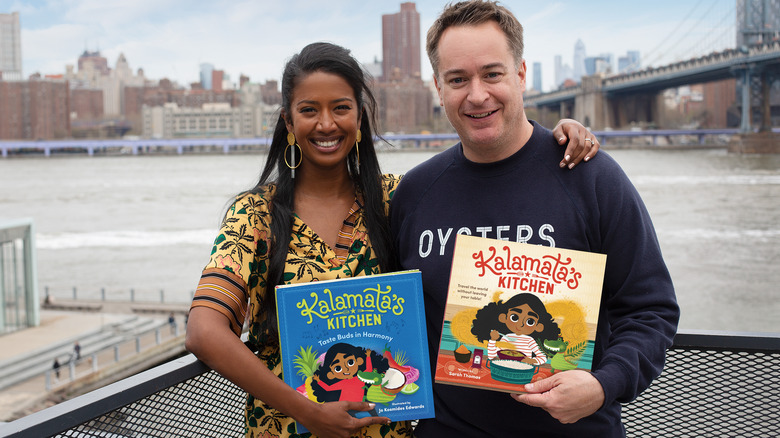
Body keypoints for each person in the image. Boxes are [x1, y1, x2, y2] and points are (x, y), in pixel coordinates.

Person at [185, 41, 597, 438]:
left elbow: (489, 211)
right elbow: (204, 331)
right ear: (289, 123)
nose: (326, 124)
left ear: (360, 119)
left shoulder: (399, 198)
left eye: (341, 108)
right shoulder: (256, 215)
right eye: (309, 110)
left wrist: (549, 144)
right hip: (288, 428)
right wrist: (311, 412)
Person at [389, 2, 680, 437]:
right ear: (438, 86)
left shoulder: (591, 176)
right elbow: (392, 319)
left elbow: (650, 309)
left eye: (492, 73)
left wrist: (603, 385)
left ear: (521, 74)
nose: (477, 94)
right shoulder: (412, 193)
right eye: (457, 79)